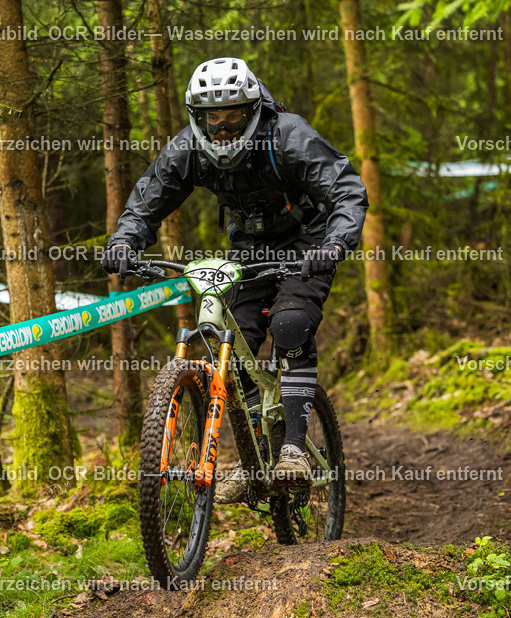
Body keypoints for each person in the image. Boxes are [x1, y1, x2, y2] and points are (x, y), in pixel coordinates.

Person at [101, 57, 368, 503]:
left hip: (309, 245)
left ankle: (294, 449)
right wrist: (125, 242)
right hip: (248, 251)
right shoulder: (188, 148)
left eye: (234, 117)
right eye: (213, 119)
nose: (222, 129)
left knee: (289, 325)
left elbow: (345, 188)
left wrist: (336, 243)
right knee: (229, 344)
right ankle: (256, 459)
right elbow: (148, 200)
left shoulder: (289, 136)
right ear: (198, 118)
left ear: (254, 111)